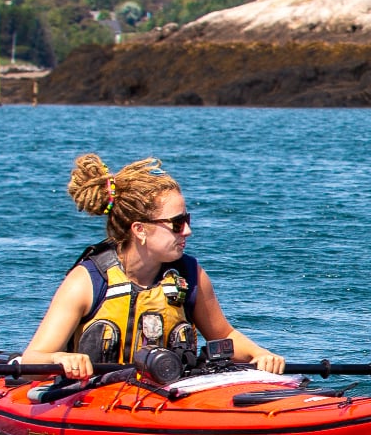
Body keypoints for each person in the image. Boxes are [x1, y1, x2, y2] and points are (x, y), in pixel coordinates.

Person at [18, 154, 286, 381]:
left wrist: (259, 354)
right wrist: (62, 359)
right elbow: (32, 360)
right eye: (177, 223)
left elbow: (224, 335)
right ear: (140, 230)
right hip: (95, 399)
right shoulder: (87, 281)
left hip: (168, 397)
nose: (188, 231)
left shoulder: (190, 276)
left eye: (187, 219)